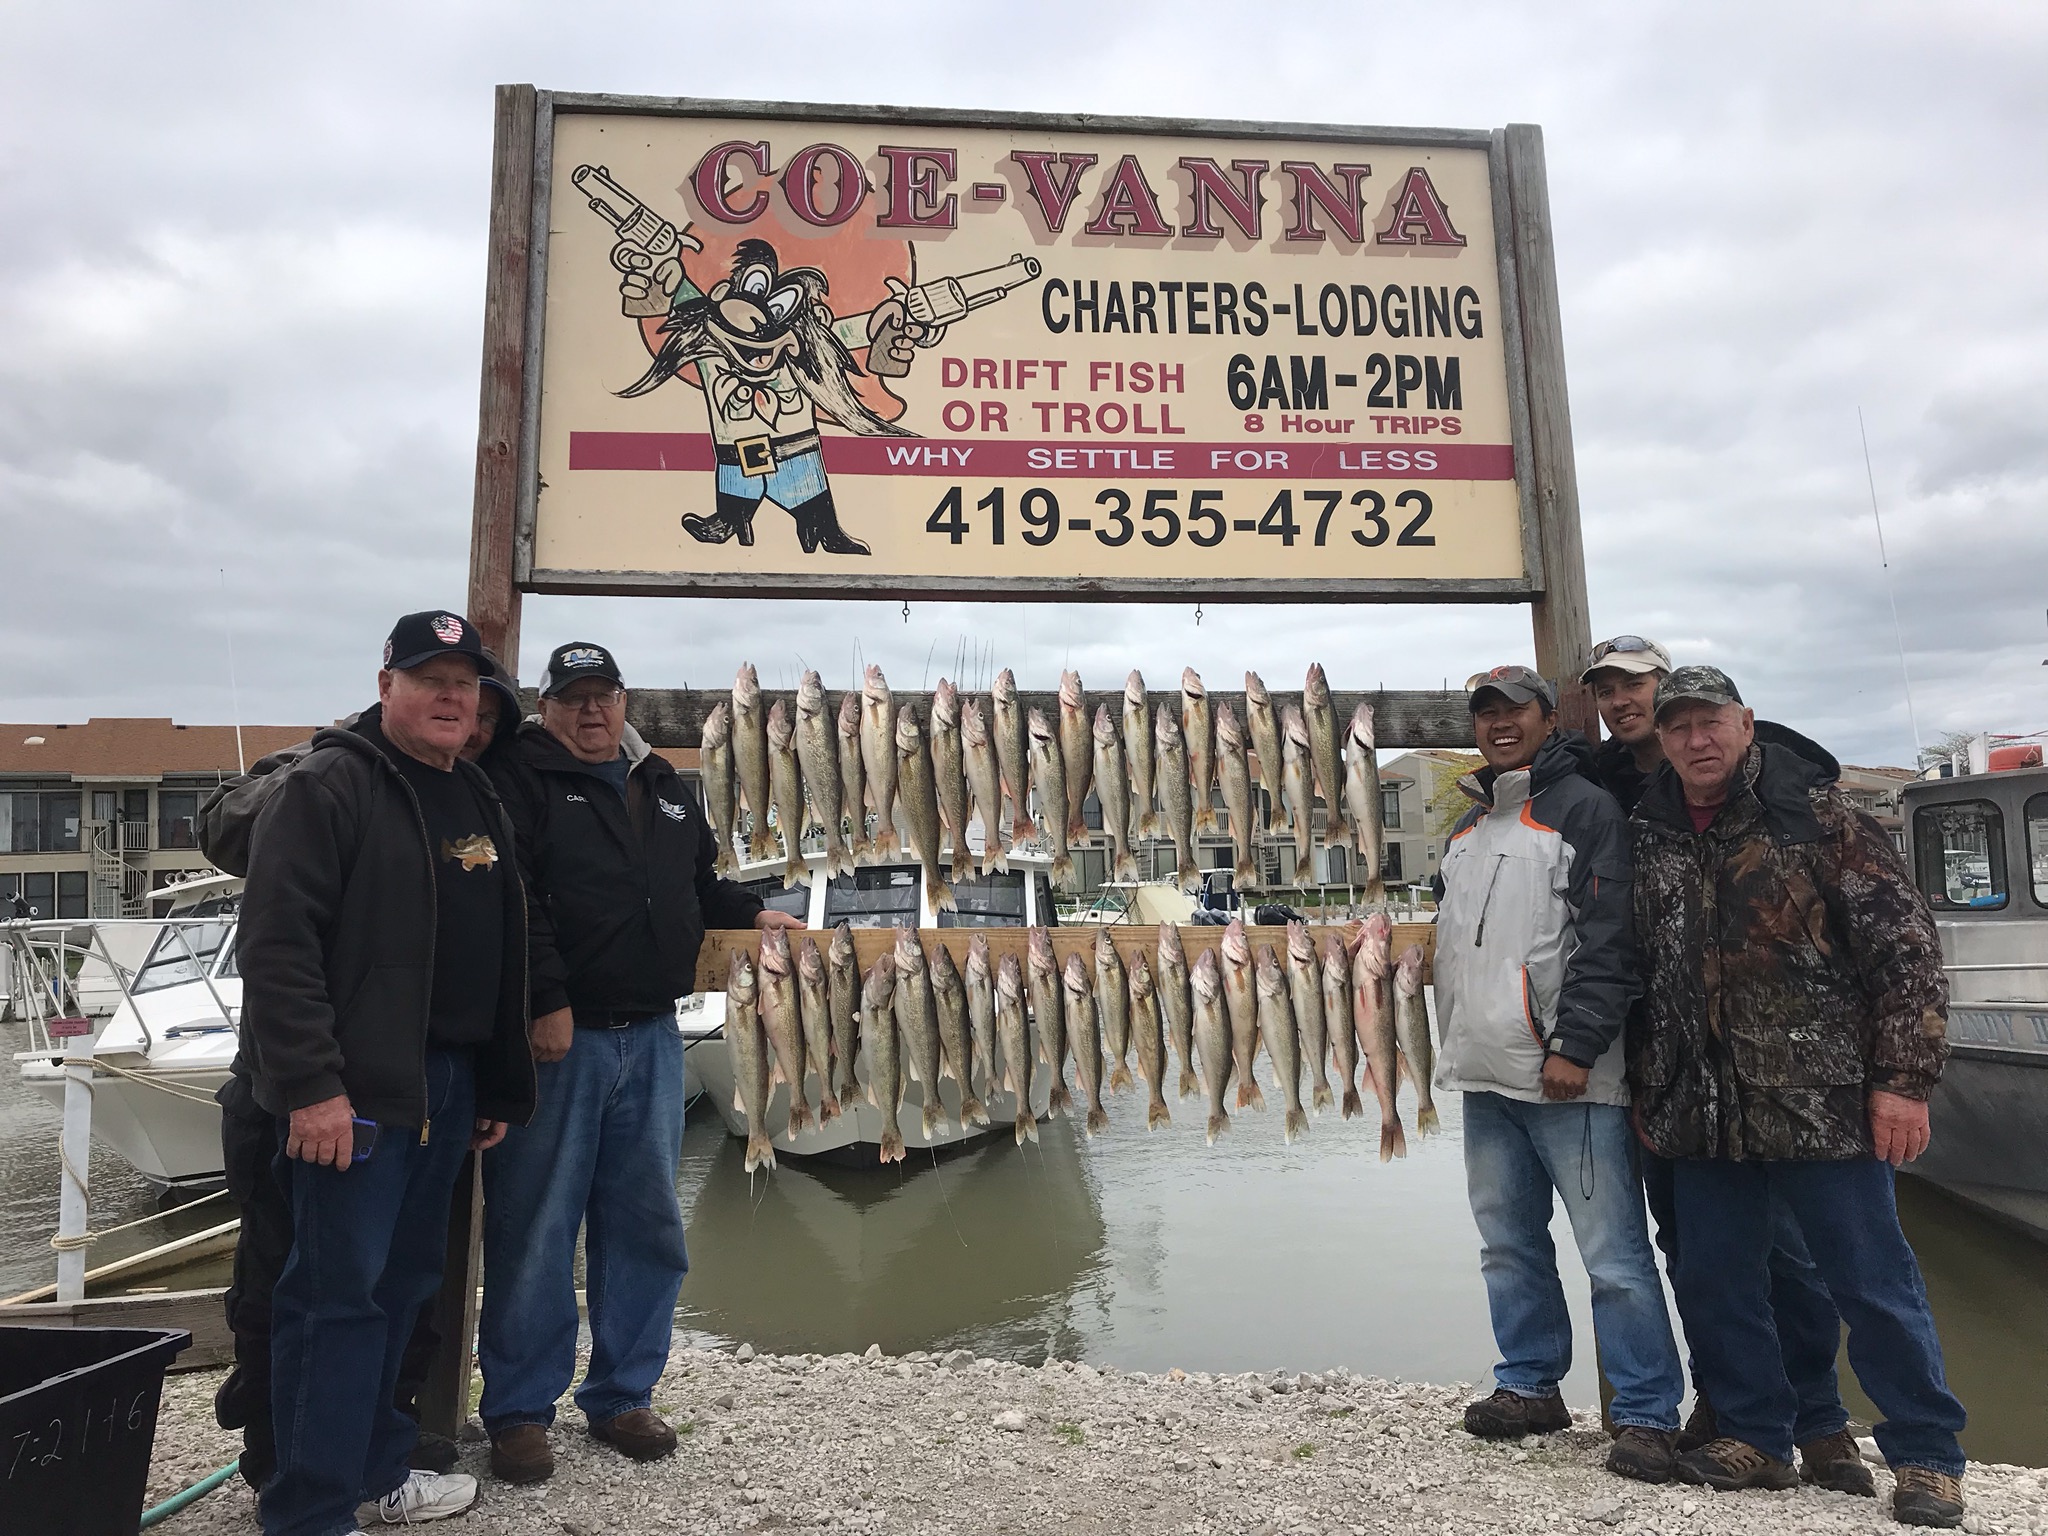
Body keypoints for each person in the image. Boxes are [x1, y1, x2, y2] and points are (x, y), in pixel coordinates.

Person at [1629, 666, 1966, 1524]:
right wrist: (1652, 1082)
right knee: (1716, 1282)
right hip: (1702, 1108)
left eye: (1711, 723)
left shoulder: (1825, 821)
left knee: (1872, 1284)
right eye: (1679, 729)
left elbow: (1908, 957)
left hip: (1828, 1106)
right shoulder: (1651, 832)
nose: (1696, 740)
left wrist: (1903, 1085)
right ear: (1661, 741)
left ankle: (1927, 1453)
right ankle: (1757, 1433)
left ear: (1746, 723)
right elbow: (1645, 974)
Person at [234, 611, 536, 1536]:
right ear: (385, 686)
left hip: (443, 1090)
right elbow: (277, 949)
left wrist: (491, 1083)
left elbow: (490, 950)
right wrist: (313, 1088)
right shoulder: (328, 786)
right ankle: (309, 1512)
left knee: (406, 1290)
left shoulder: (474, 794)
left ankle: (376, 1472)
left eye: (466, 681)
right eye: (430, 677)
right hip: (351, 1098)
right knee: (334, 1304)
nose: (452, 695)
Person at [479, 642, 802, 1485]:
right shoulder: (517, 780)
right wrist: (543, 998)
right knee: (538, 1229)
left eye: (604, 696)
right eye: (573, 698)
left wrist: (754, 914)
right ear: (543, 707)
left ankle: (623, 1393)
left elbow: (699, 886)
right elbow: (513, 900)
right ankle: (519, 1409)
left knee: (646, 1227)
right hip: (561, 1041)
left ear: (625, 702)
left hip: (656, 1035)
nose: (592, 712)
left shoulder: (663, 786)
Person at [1582, 636, 1860, 1486]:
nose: (1623, 701)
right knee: (1694, 1251)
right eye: (1608, 689)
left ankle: (1820, 1422)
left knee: (1790, 1256)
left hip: (1776, 1080)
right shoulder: (1599, 785)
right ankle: (1735, 1406)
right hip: (1665, 1075)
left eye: (1637, 685)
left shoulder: (1776, 788)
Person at [1432, 665, 1684, 1483]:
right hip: (1482, 1074)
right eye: (1486, 714)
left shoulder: (1587, 810)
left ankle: (1647, 1411)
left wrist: (1576, 1047)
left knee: (1613, 1255)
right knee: (1506, 1246)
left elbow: (1611, 940)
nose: (1500, 724)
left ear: (1548, 719)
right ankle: (1530, 1385)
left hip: (1566, 1078)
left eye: (1514, 710)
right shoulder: (1467, 828)